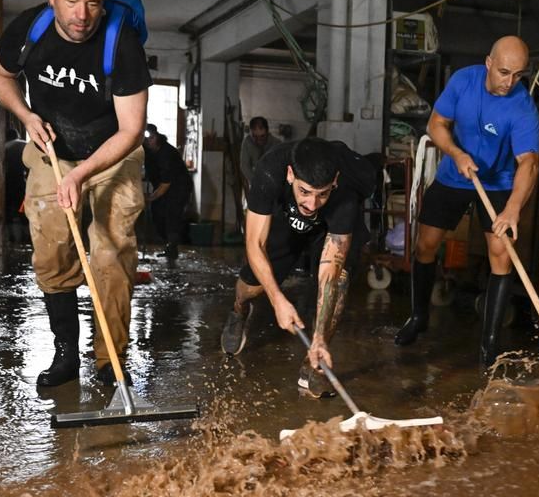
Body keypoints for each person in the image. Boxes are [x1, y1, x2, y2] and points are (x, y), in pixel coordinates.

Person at [0, 0, 151, 387]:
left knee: (112, 255)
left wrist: (81, 174)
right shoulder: (30, 28)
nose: (82, 15)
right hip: (52, 151)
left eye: (93, 3)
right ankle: (65, 357)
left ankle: (110, 363)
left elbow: (131, 130)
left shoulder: (122, 42)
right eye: (72, 1)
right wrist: (26, 115)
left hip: (113, 153)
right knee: (53, 251)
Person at [393, 36, 539, 367]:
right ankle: (418, 318)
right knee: (426, 245)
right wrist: (456, 154)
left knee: (501, 255)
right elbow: (437, 124)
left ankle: (489, 343)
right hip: (453, 175)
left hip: (499, 182)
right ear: (488, 62)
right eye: (504, 72)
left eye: (518, 75)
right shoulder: (463, 80)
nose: (510, 82)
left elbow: (529, 162)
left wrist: (513, 208)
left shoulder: (522, 106)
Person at [222, 137, 375, 397]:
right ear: (291, 175)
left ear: (335, 181)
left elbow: (330, 272)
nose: (312, 204)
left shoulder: (349, 187)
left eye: (321, 194)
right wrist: (277, 299)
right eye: (305, 192)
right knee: (251, 288)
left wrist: (319, 337)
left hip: (330, 228)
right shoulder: (270, 169)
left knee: (339, 283)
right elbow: (254, 244)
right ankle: (238, 311)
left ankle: (313, 361)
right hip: (285, 220)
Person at [143, 123, 191, 261]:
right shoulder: (147, 152)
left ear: (157, 136)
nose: (148, 141)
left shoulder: (167, 153)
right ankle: (168, 243)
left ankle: (172, 248)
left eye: (151, 138)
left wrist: (151, 197)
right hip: (162, 186)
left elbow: (166, 182)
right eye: (146, 139)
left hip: (178, 187)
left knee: (172, 215)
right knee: (157, 213)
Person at [239, 116, 280, 190]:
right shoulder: (247, 142)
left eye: (262, 136)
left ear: (267, 132)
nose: (259, 140)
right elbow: (244, 165)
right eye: (255, 137)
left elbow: (280, 167)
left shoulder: (276, 144)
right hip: (255, 181)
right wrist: (256, 181)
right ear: (251, 133)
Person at [3, 127, 29, 245]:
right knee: (23, 210)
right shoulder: (26, 145)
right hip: (23, 183)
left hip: (8, 183)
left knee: (8, 210)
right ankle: (27, 237)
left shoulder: (4, 147)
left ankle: (12, 239)